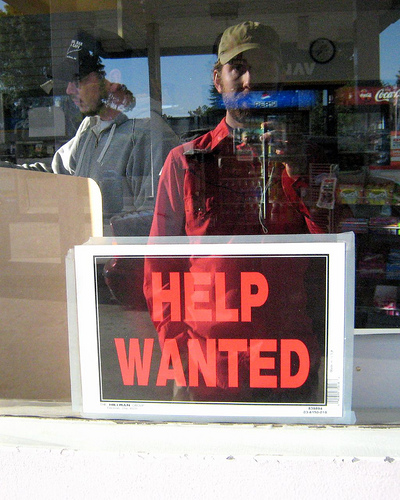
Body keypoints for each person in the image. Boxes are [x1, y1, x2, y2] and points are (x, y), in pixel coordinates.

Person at [143, 21, 329, 402]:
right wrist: (179, 355)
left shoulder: (306, 159)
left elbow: (335, 250)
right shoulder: (187, 161)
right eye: (238, 68)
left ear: (280, 79)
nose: (250, 81)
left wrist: (297, 171)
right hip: (210, 366)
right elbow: (160, 269)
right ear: (218, 78)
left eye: (263, 69)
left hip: (289, 362)